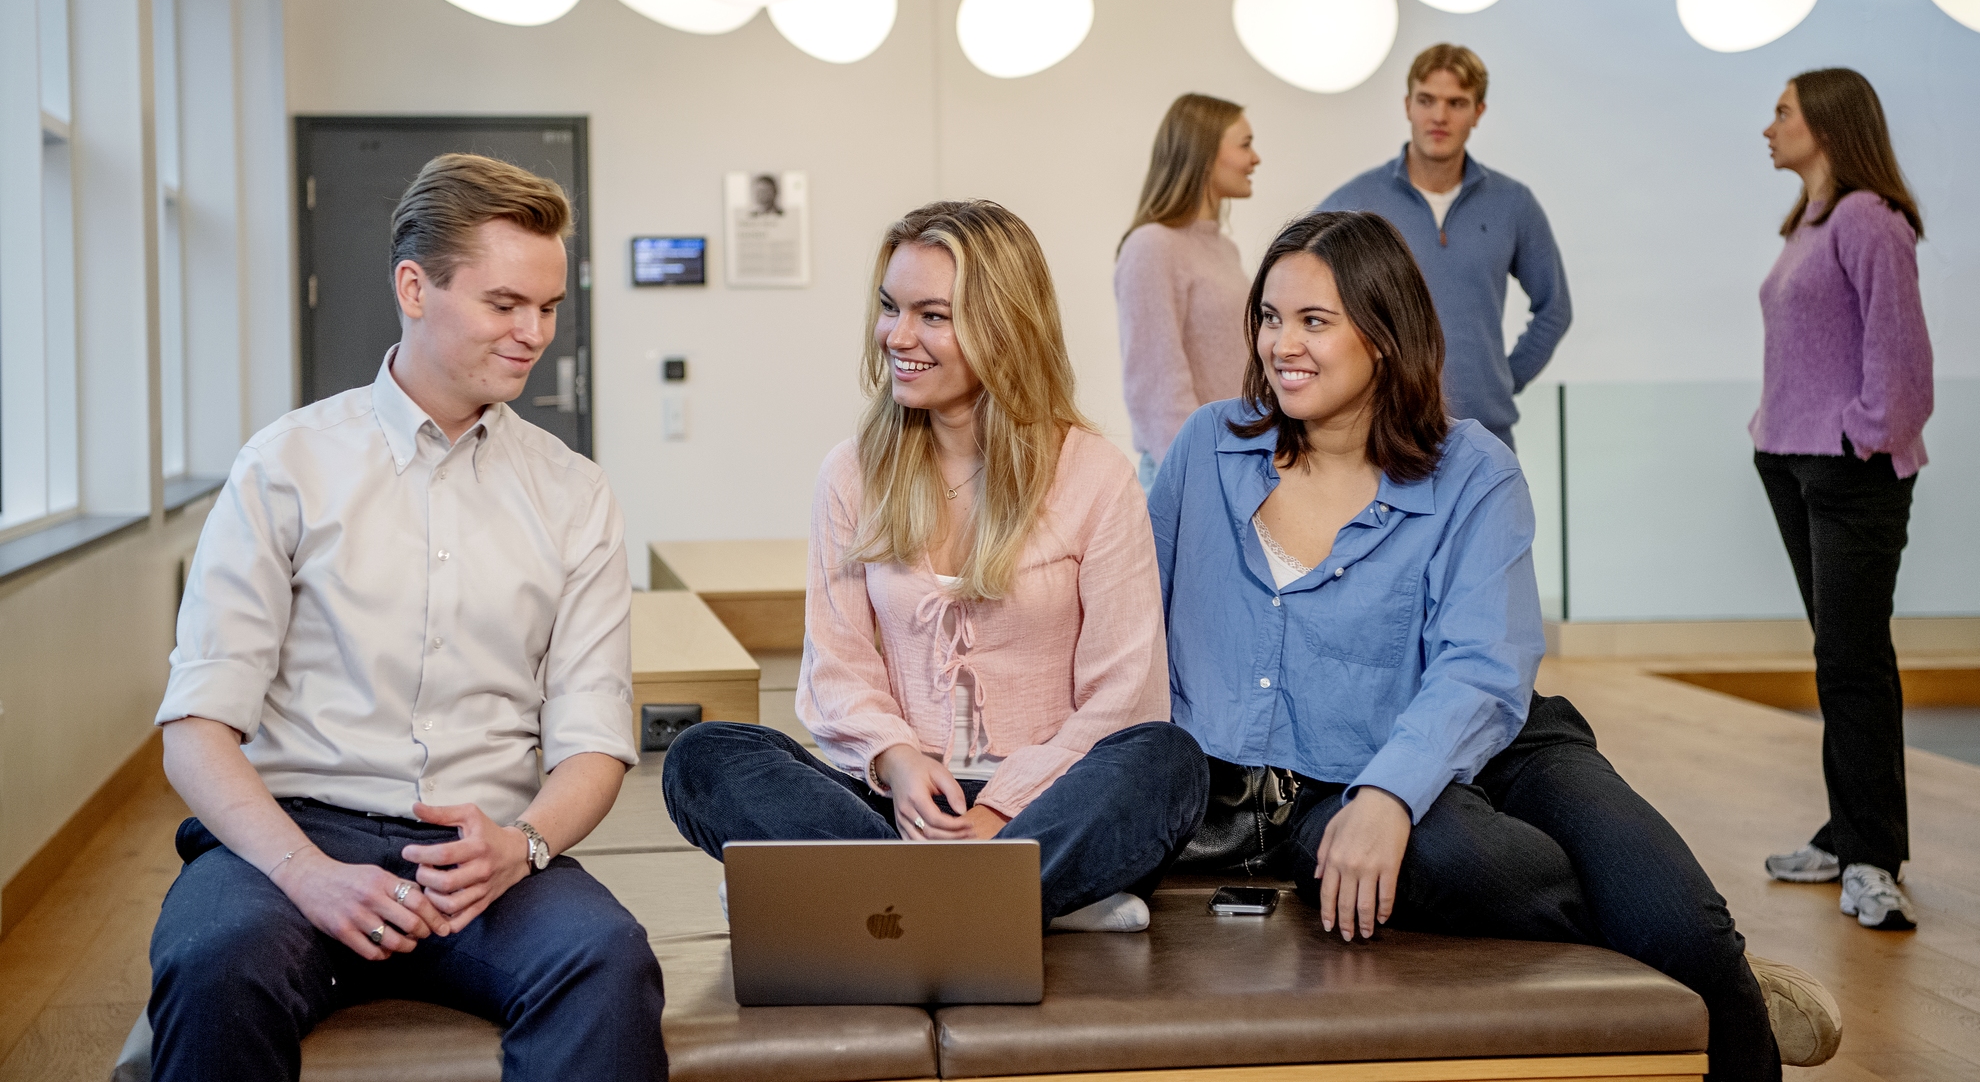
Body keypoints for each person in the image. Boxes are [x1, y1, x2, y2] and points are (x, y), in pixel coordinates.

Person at [1152, 209, 1840, 1079]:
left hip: (1505, 742)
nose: (1281, 343)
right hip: (1348, 765)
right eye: (1269, 317)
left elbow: (1484, 668)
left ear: (1386, 335)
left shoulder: (1471, 469)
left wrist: (1392, 793)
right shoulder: (1208, 448)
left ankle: (1703, 963)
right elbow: (1136, 612)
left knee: (1678, 913)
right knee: (1455, 854)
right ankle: (1697, 963)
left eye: (1314, 320)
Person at [148, 155, 665, 1082]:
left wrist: (525, 843)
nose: (534, 333)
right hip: (295, 833)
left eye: (548, 308)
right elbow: (195, 727)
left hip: (487, 849)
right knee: (212, 966)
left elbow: (592, 739)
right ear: (414, 287)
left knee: (607, 963)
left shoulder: (575, 494)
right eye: (505, 302)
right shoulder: (287, 465)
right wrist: (306, 872)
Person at [664, 200, 1207, 931]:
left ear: (1005, 325)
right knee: (702, 756)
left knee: (1166, 762)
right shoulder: (852, 473)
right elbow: (838, 668)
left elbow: (1123, 698)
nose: (898, 335)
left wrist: (996, 812)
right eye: (891, 308)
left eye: (932, 315)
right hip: (898, 802)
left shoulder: (1095, 474)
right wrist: (898, 761)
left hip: (1048, 797)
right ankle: (1020, 898)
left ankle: (878, 892)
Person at [1753, 68, 1933, 931]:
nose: (1769, 127)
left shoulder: (1868, 219)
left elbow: (1902, 367)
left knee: (1854, 660)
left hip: (1847, 469)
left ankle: (1874, 860)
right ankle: (1848, 831)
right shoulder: (1810, 223)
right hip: (1794, 460)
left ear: (1825, 122)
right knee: (1839, 655)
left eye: (1782, 112)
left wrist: (1857, 435)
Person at [1319, 44, 1568, 450]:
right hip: (1380, 434)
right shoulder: (1354, 203)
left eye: (1456, 103)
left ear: (1478, 112)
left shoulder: (1513, 203)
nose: (1439, 116)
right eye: (1426, 100)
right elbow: (1310, 305)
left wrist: (1504, 378)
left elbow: (1554, 308)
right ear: (1407, 106)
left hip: (1486, 435)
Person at [1114, 93, 1257, 490]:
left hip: (1236, 463)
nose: (1255, 159)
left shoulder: (1224, 248)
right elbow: (1156, 382)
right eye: (1245, 145)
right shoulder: (1152, 246)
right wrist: (1200, 476)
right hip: (1189, 472)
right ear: (1205, 153)